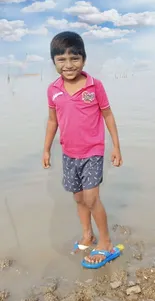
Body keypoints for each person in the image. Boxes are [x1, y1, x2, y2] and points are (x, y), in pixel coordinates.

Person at [42, 31, 123, 269]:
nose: (68, 65)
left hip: (93, 151)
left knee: (91, 197)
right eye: (62, 60)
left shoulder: (94, 86)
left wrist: (116, 146)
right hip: (69, 153)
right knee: (78, 198)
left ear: (84, 59)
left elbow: (107, 114)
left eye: (74, 58)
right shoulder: (53, 89)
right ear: (54, 62)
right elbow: (52, 121)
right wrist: (46, 149)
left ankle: (106, 242)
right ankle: (87, 235)